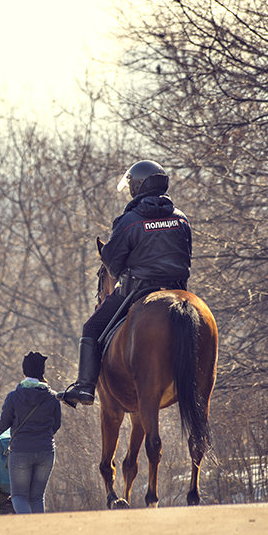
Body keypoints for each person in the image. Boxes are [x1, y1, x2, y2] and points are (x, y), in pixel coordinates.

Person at [60, 161, 192, 407]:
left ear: (138, 187)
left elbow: (112, 262)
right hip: (178, 288)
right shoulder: (181, 219)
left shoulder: (129, 220)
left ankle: (85, 387)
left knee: (91, 327)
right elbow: (186, 256)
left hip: (138, 290)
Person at [0, 351, 62, 514]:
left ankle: (29, 530)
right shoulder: (53, 398)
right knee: (37, 497)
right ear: (42, 372)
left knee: (19, 496)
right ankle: (39, 532)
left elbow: (4, 424)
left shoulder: (14, 397)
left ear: (25, 371)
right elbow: (56, 425)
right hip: (46, 451)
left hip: (20, 453)